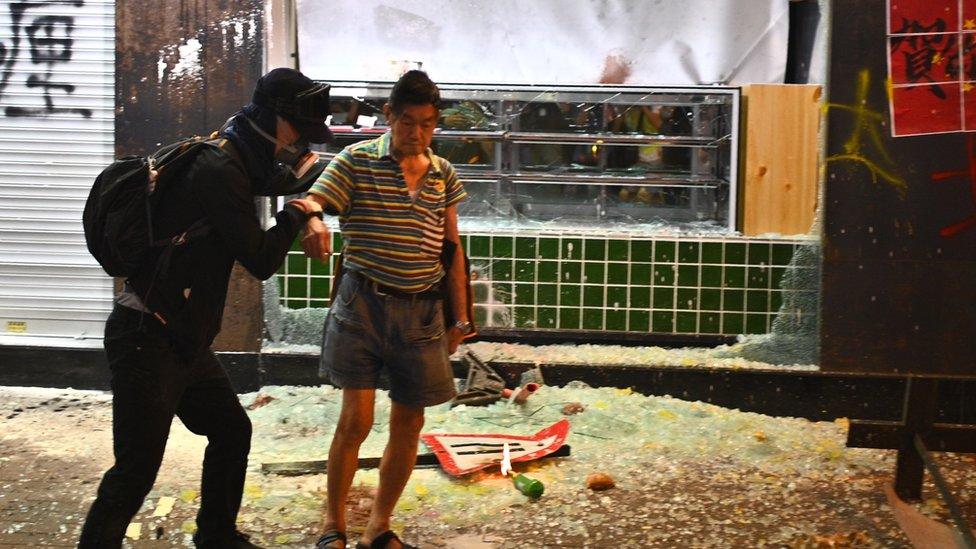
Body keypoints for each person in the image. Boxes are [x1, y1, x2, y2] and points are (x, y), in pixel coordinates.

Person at [78, 68, 331, 549]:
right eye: (298, 131)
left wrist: (312, 191)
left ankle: (215, 536)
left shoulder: (232, 150)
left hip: (180, 337)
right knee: (134, 474)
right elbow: (259, 259)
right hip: (146, 337)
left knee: (232, 432)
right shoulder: (218, 169)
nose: (298, 143)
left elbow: (275, 179)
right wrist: (297, 214)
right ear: (277, 121)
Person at [301, 70, 471, 549]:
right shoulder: (356, 161)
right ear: (390, 115)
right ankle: (332, 526)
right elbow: (313, 198)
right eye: (408, 121)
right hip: (363, 308)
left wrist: (460, 319)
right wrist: (312, 219)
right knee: (355, 420)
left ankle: (378, 526)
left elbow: (452, 249)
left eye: (427, 124)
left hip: (421, 314)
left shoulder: (443, 174)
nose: (417, 133)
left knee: (409, 422)